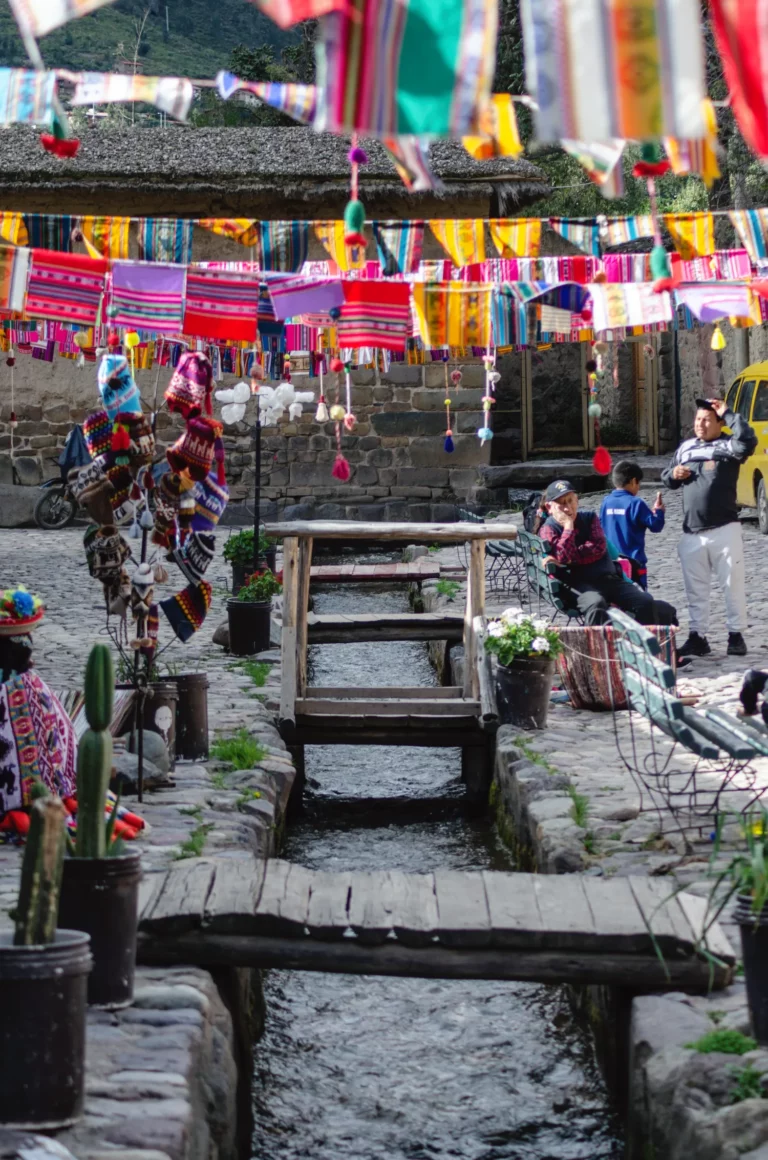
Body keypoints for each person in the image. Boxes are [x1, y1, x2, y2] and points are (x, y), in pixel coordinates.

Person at [661, 396, 757, 658]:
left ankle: (735, 635)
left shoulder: (729, 445)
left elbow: (748, 441)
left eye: (707, 419)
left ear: (719, 423)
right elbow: (666, 477)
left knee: (731, 584)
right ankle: (697, 636)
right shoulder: (686, 448)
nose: (700, 424)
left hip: (724, 528)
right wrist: (674, 475)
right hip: (692, 532)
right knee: (696, 589)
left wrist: (728, 414)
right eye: (697, 419)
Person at [539, 480, 678, 627]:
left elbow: (598, 548)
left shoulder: (590, 518)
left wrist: (568, 559)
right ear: (549, 507)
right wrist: (568, 527)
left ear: (577, 500)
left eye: (570, 501)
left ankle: (646, 646)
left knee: (645, 601)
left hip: (608, 579)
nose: (568, 508)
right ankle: (597, 648)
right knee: (596, 603)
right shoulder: (549, 529)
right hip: (576, 585)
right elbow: (564, 555)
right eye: (562, 504)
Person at [599, 460, 665, 589]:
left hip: (613, 562)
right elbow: (656, 526)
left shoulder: (606, 502)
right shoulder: (636, 503)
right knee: (639, 597)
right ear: (634, 481)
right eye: (639, 483)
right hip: (634, 563)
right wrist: (659, 511)